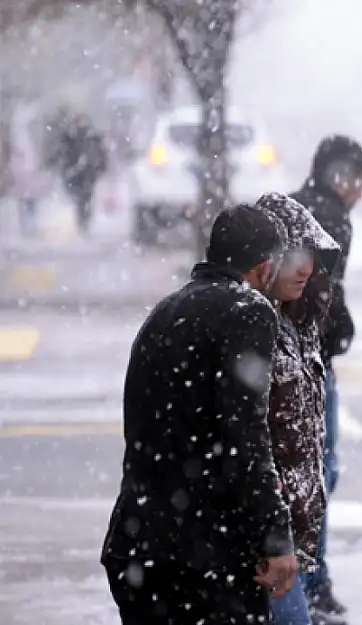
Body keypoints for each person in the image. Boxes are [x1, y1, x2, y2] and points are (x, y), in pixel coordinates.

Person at [101, 204, 297, 624]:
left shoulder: (165, 311)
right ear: (265, 268)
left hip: (139, 542)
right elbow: (246, 436)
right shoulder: (249, 311)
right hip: (205, 555)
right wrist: (276, 539)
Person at [289, 135, 362, 624]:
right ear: (340, 176)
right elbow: (327, 293)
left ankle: (306, 580)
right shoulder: (331, 217)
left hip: (289, 356)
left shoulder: (294, 207)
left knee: (301, 471)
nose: (361, 192)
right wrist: (341, 333)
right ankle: (311, 583)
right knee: (319, 473)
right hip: (312, 361)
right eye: (359, 180)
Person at [253, 193, 341, 625]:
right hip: (264, 541)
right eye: (293, 256)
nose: (305, 268)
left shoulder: (300, 326)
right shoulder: (251, 331)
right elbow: (248, 442)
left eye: (311, 256)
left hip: (288, 539)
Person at [45, 110, 108, 235]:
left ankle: (84, 221)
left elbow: (101, 153)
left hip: (88, 172)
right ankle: (82, 220)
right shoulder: (71, 136)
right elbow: (62, 151)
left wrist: (101, 166)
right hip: (76, 171)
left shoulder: (92, 137)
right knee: (80, 197)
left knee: (85, 197)